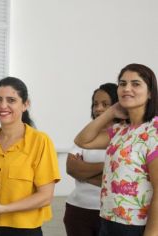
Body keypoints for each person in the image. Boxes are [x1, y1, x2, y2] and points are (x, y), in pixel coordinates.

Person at [75, 63, 158, 236]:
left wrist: (152, 232)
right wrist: (110, 112)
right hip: (108, 220)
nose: (127, 88)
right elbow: (82, 141)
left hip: (136, 226)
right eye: (122, 84)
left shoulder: (154, 130)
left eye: (135, 84)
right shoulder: (120, 130)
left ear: (150, 92)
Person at [0, 76, 61, 236]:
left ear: (25, 104)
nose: (3, 105)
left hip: (24, 230)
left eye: (11, 100)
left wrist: (4, 209)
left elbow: (45, 196)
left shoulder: (40, 142)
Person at [64, 83, 118, 236]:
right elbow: (71, 168)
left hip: (112, 213)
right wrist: (108, 165)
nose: (98, 108)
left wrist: (84, 173)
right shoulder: (85, 136)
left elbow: (122, 179)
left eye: (105, 104)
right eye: (95, 104)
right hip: (77, 210)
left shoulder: (125, 136)